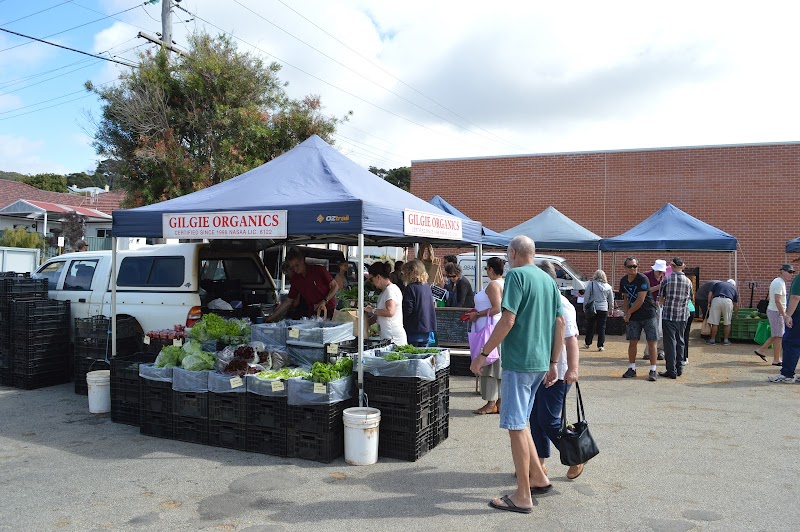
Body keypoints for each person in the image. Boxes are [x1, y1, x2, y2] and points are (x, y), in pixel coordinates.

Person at [469, 235, 564, 514]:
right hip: (539, 362)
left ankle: (523, 495)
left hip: (519, 362)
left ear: (512, 253)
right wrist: (554, 361)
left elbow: (507, 319)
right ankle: (539, 477)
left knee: (515, 425)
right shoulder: (548, 280)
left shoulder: (516, 277)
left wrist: (483, 354)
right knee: (521, 422)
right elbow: (559, 322)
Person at [530, 260, 583, 479]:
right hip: (538, 370)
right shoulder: (539, 301)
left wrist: (572, 369)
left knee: (550, 420)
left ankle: (576, 456)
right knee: (535, 419)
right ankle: (538, 463)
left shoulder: (562, 304)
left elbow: (571, 341)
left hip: (558, 372)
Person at [468, 256, 505, 415]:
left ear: (491, 269)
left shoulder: (493, 285)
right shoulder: (504, 283)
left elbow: (496, 308)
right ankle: (499, 401)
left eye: (486, 268)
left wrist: (478, 314)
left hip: (489, 330)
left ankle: (491, 402)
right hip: (497, 328)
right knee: (498, 367)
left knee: (488, 366)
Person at [266, 247, 337, 321]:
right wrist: (271, 317)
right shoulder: (296, 280)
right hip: (313, 312)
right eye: (292, 267)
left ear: (302, 260)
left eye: (297, 265)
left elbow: (335, 286)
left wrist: (324, 301)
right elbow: (289, 301)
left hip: (329, 310)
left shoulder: (319, 270)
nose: (295, 269)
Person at [619, 256, 660, 382]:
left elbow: (641, 299)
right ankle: (632, 368)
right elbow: (625, 298)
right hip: (634, 316)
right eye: (630, 266)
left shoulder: (642, 279)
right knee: (632, 342)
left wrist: (629, 313)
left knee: (652, 342)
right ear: (625, 267)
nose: (633, 269)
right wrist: (626, 313)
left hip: (648, 313)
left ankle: (653, 369)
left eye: (635, 266)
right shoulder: (624, 281)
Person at [658, 257, 693, 379]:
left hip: (669, 315)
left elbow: (661, 298)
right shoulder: (688, 281)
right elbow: (690, 298)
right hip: (683, 315)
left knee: (670, 343)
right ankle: (679, 368)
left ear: (672, 266)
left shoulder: (667, 280)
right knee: (680, 341)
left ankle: (671, 369)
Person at [756, 264, 795, 365]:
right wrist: (784, 315)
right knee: (779, 336)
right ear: (782, 271)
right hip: (776, 312)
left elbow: (772, 298)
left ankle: (762, 350)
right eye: (789, 272)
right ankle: (776, 359)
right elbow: (778, 301)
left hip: (775, 311)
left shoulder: (779, 282)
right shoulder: (779, 283)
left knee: (777, 334)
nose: (791, 274)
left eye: (792, 272)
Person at [768, 267, 800, 383]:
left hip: (797, 314)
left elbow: (796, 297)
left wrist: (788, 315)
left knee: (790, 343)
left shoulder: (799, 278)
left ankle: (787, 374)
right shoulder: (779, 282)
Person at [364, 262, 407, 345]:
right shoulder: (384, 292)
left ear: (378, 277)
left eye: (371, 279)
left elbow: (390, 312)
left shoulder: (390, 290)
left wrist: (371, 310)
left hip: (394, 338)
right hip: (387, 337)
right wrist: (365, 323)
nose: (371, 282)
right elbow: (379, 315)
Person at [401, 259, 437, 347]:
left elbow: (408, 309)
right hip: (427, 327)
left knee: (413, 357)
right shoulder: (427, 287)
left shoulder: (411, 288)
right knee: (423, 356)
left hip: (414, 327)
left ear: (410, 273)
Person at [582, 269, 614, 352]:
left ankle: (587, 343)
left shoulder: (591, 284)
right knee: (602, 327)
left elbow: (586, 297)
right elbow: (611, 300)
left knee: (591, 326)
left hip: (593, 307)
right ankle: (600, 345)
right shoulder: (608, 286)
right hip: (603, 308)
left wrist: (585, 306)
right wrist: (611, 309)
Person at [642, 259, 667, 361]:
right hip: (647, 305)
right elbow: (645, 291)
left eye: (662, 272)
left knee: (660, 329)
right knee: (649, 329)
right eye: (658, 271)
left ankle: (660, 351)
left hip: (659, 305)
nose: (660, 273)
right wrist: (658, 287)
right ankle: (648, 351)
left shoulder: (665, 277)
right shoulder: (645, 276)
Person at [706, 279, 739, 345]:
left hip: (716, 300)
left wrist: (709, 303)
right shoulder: (734, 288)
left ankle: (712, 340)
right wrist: (736, 314)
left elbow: (710, 293)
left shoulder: (718, 284)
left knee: (715, 322)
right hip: (728, 301)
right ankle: (726, 340)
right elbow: (736, 304)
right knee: (727, 322)